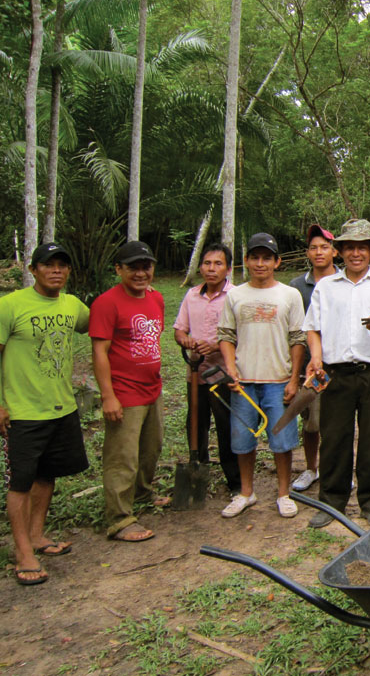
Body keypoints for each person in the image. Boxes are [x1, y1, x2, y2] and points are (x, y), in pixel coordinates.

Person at [304, 219, 370, 527]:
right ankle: (332, 503)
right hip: (336, 374)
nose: (355, 254)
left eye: (362, 247)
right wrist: (317, 358)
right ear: (340, 252)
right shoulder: (326, 287)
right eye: (349, 247)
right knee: (334, 438)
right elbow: (313, 328)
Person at [1, 244, 90, 585]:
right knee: (20, 481)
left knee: (46, 474)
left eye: (62, 266)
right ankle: (22, 551)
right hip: (22, 411)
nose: (56, 271)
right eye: (48, 265)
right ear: (34, 269)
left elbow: (93, 325)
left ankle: (37, 535)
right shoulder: (9, 305)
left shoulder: (72, 305)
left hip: (62, 406)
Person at [217, 233, 306, 519]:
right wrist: (230, 367)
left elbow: (297, 339)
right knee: (243, 440)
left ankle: (283, 493)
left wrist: (293, 379)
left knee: (282, 441)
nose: (260, 263)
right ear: (245, 261)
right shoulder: (235, 295)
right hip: (243, 382)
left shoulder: (289, 295)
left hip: (278, 380)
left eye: (266, 258)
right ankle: (246, 492)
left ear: (277, 262)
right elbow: (226, 335)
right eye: (254, 257)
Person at [90, 241, 166, 542]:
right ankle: (119, 518)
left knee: (151, 449)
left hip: (153, 389)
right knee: (122, 457)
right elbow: (100, 352)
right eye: (132, 267)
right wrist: (108, 395)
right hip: (124, 392)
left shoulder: (157, 299)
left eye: (145, 266)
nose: (140, 273)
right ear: (118, 269)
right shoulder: (107, 303)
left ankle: (143, 494)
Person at [173, 242, 240, 493]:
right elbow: (179, 329)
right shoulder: (191, 295)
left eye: (218, 264)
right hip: (196, 374)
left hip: (223, 375)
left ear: (228, 269)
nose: (212, 269)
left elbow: (241, 334)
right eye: (208, 263)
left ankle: (234, 481)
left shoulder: (235, 296)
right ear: (201, 267)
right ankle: (197, 472)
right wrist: (186, 340)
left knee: (226, 428)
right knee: (195, 425)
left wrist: (215, 346)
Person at [289, 224, 339, 492]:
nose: (319, 252)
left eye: (324, 247)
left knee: (339, 421)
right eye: (313, 248)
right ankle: (311, 468)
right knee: (311, 422)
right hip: (310, 366)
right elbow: (295, 328)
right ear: (307, 253)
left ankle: (338, 468)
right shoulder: (297, 286)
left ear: (334, 251)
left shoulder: (345, 281)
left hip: (340, 365)